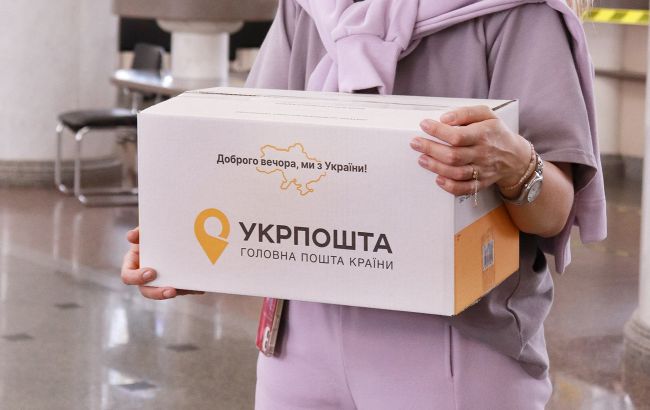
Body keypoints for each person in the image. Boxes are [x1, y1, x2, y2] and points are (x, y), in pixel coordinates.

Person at [121, 0, 606, 408]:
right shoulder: (307, 9)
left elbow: (554, 214)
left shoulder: (520, 12)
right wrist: (186, 252)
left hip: (457, 341)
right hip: (300, 335)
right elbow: (255, 157)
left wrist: (518, 165)